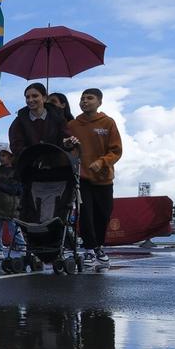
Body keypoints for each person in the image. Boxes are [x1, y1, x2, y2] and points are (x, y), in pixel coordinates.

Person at [67, 88, 123, 265]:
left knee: (104, 214)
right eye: (82, 98)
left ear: (99, 102)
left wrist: (102, 162)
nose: (84, 101)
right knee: (86, 215)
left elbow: (116, 150)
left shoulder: (108, 122)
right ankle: (89, 249)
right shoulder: (73, 125)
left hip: (104, 178)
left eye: (89, 98)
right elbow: (67, 148)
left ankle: (98, 245)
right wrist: (67, 144)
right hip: (81, 178)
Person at [8, 82, 76, 159]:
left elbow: (64, 139)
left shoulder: (58, 117)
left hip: (57, 164)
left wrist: (67, 144)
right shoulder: (19, 121)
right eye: (27, 97)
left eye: (35, 96)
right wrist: (34, 156)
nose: (30, 100)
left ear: (44, 98)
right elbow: (16, 146)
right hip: (30, 166)